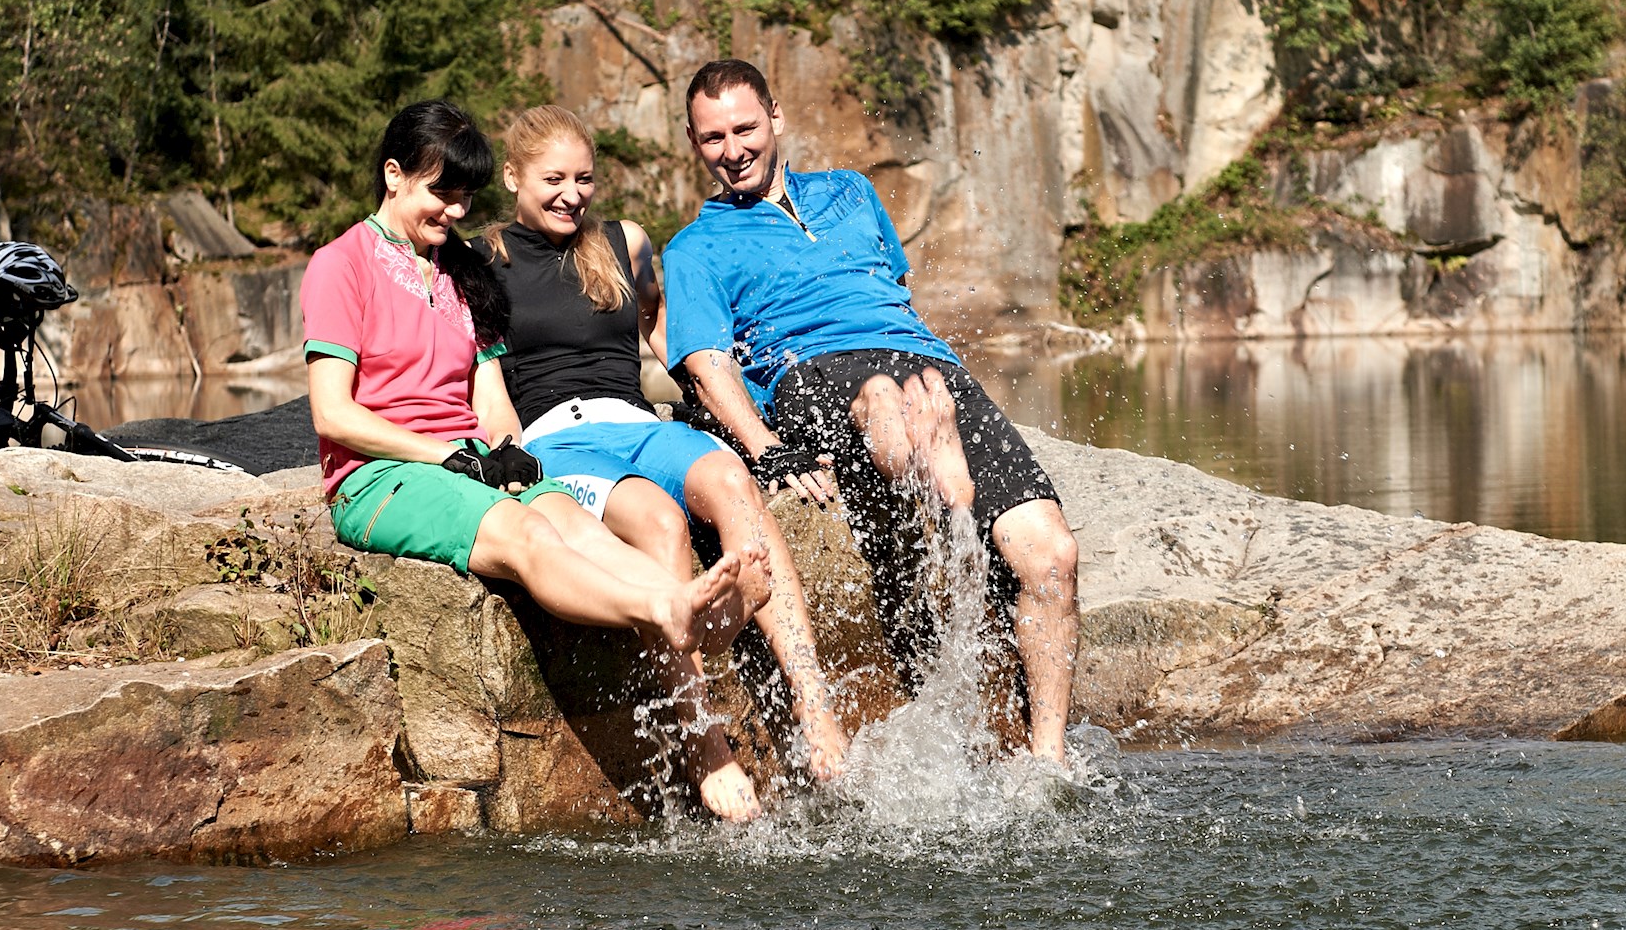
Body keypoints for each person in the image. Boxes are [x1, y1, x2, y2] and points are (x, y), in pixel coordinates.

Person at [304, 101, 772, 816]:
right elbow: (334, 414)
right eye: (440, 192)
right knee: (526, 534)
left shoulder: (461, 272)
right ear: (393, 175)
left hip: (470, 462)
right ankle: (669, 606)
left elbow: (490, 395)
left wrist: (509, 453)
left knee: (574, 523)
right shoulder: (340, 265)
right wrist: (451, 456)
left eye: (464, 196)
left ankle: (683, 614)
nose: (455, 210)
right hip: (381, 477)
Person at [657, 60, 1082, 763]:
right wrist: (764, 445)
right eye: (712, 138)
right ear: (693, 143)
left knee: (1052, 553)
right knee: (881, 401)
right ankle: (943, 476)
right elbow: (706, 365)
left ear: (777, 118)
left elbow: (900, 295)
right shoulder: (695, 246)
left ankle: (1050, 759)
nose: (732, 150)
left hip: (928, 365)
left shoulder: (851, 193)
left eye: (744, 128)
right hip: (809, 372)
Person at [477, 105, 859, 789]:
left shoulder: (623, 242)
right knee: (660, 520)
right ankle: (704, 741)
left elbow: (662, 328)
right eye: (553, 179)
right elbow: (482, 375)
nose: (573, 195)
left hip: (639, 422)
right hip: (559, 440)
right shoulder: (484, 258)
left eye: (585, 178)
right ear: (512, 176)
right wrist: (508, 453)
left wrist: (731, 411)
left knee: (733, 481)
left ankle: (813, 702)